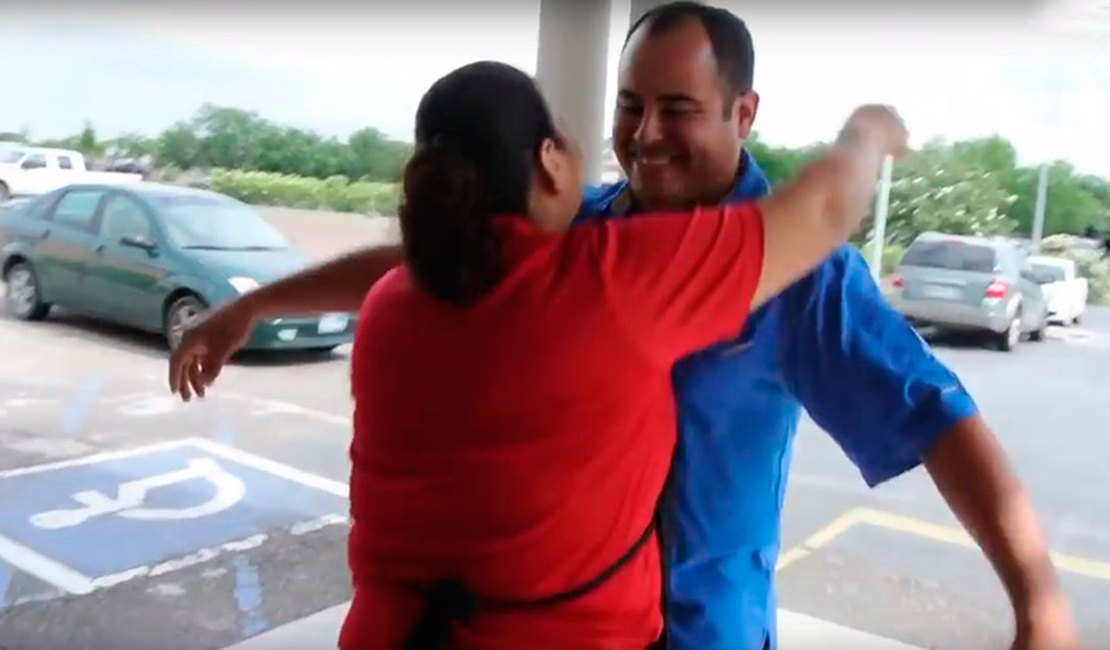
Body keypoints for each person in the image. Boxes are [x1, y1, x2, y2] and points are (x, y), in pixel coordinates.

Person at [169, 4, 1078, 649]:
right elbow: (429, 261)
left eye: (676, 109)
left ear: (742, 113)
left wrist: (1037, 602)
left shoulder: (801, 276)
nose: (645, 135)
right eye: (629, 105)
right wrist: (253, 304)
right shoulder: (592, 235)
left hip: (695, 630)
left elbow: (939, 418)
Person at [335, 60, 904, 648]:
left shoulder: (389, 305)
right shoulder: (612, 282)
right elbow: (823, 210)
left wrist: (255, 308)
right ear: (551, 161)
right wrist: (871, 131)